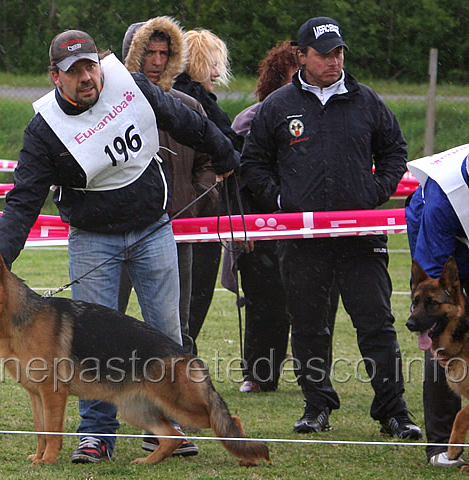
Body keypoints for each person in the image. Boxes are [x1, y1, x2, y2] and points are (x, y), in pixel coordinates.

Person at [0, 30, 238, 464]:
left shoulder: (132, 86)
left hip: (152, 228)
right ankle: (97, 435)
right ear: (55, 77)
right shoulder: (44, 129)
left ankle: (165, 429)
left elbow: (187, 122)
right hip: (92, 238)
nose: (87, 77)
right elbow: (23, 199)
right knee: (88, 345)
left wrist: (225, 152)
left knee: (167, 334)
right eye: (74, 71)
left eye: (91, 66)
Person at [240, 16, 421, 439]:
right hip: (303, 239)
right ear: (301, 57)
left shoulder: (366, 101)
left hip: (361, 236)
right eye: (324, 54)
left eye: (339, 52)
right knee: (307, 324)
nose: (334, 61)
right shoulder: (279, 106)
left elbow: (395, 151)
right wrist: (282, 202)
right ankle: (316, 406)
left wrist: (373, 192)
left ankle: (393, 412)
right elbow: (253, 162)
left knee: (376, 322)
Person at [120, 17, 218, 356]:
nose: (157, 61)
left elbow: (208, 164)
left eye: (165, 52)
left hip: (175, 233)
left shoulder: (188, 107)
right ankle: (102, 404)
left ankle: (184, 402)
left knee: (176, 329)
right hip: (116, 232)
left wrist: (192, 200)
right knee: (104, 325)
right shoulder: (107, 110)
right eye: (149, 52)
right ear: (132, 55)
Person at [221, 40, 297, 393]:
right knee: (261, 301)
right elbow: (236, 179)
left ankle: (316, 373)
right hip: (259, 224)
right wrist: (243, 225)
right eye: (295, 76)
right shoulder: (250, 120)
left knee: (314, 302)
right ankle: (259, 374)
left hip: (305, 223)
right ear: (277, 79)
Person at [172, 29, 240, 354]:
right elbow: (224, 149)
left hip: (185, 212)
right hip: (196, 215)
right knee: (192, 298)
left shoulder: (178, 99)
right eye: (214, 63)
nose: (217, 72)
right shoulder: (196, 104)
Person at [405, 145, 469, 468]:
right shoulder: (443, 202)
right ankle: (442, 447)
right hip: (445, 239)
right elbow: (432, 285)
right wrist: (430, 333)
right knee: (440, 335)